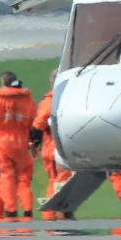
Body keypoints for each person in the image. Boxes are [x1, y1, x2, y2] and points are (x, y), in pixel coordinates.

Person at [0, 71, 38, 219]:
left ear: (3, 83)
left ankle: (11, 211)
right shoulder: (28, 100)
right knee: (23, 177)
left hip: (1, 142)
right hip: (22, 141)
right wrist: (34, 143)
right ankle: (28, 210)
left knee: (6, 176)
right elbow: (35, 123)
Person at [32, 69, 72, 220]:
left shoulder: (50, 101)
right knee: (58, 180)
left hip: (56, 147)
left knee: (62, 180)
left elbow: (38, 126)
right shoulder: (55, 101)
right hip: (55, 148)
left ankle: (63, 213)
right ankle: (51, 214)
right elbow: (39, 124)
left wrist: (35, 143)